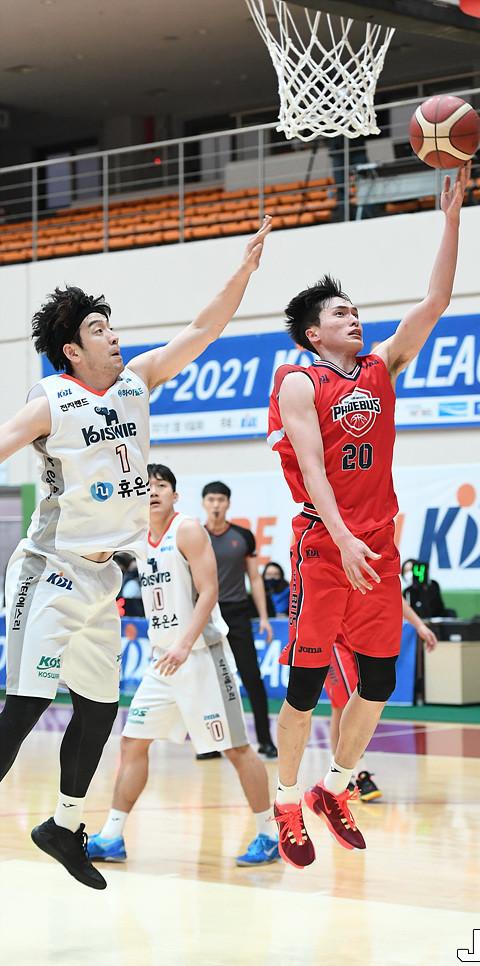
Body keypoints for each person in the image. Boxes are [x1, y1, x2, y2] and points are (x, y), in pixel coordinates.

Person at [0, 215, 271, 890]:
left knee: (98, 709)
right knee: (27, 702)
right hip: (49, 570)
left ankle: (64, 825)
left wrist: (243, 272)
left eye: (111, 326)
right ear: (71, 350)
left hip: (101, 581)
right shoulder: (52, 402)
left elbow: (202, 330)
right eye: (99, 330)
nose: (114, 336)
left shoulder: (135, 382)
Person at [267, 163, 469, 869]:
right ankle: (286, 802)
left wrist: (451, 220)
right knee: (303, 689)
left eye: (354, 310)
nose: (354, 318)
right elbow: (314, 469)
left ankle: (334, 787)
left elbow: (436, 300)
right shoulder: (298, 381)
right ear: (313, 333)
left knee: (379, 681)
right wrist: (343, 537)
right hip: (325, 546)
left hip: (376, 546)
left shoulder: (382, 367)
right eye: (339, 313)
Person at [87, 464, 279, 868]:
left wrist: (185, 643)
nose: (153, 491)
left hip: (202, 655)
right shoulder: (138, 535)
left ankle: (269, 835)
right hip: (163, 660)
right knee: (132, 742)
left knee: (236, 748)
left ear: (175, 495)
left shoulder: (188, 529)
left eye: (161, 486)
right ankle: (112, 836)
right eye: (146, 486)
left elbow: (210, 591)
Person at [325, 597, 438, 802]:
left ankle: (338, 774)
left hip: (363, 637)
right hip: (334, 639)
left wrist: (419, 625)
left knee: (349, 705)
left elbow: (393, 594)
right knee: (346, 703)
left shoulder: (378, 574)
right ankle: (358, 773)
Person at [202, 481, 277, 759]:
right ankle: (211, 743)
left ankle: (265, 740)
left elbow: (254, 578)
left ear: (228, 503)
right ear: (204, 503)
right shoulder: (195, 535)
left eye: (221, 499)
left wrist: (264, 617)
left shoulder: (243, 536)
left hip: (237, 613)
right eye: (211, 499)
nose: (216, 504)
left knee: (252, 677)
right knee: (208, 680)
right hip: (206, 614)